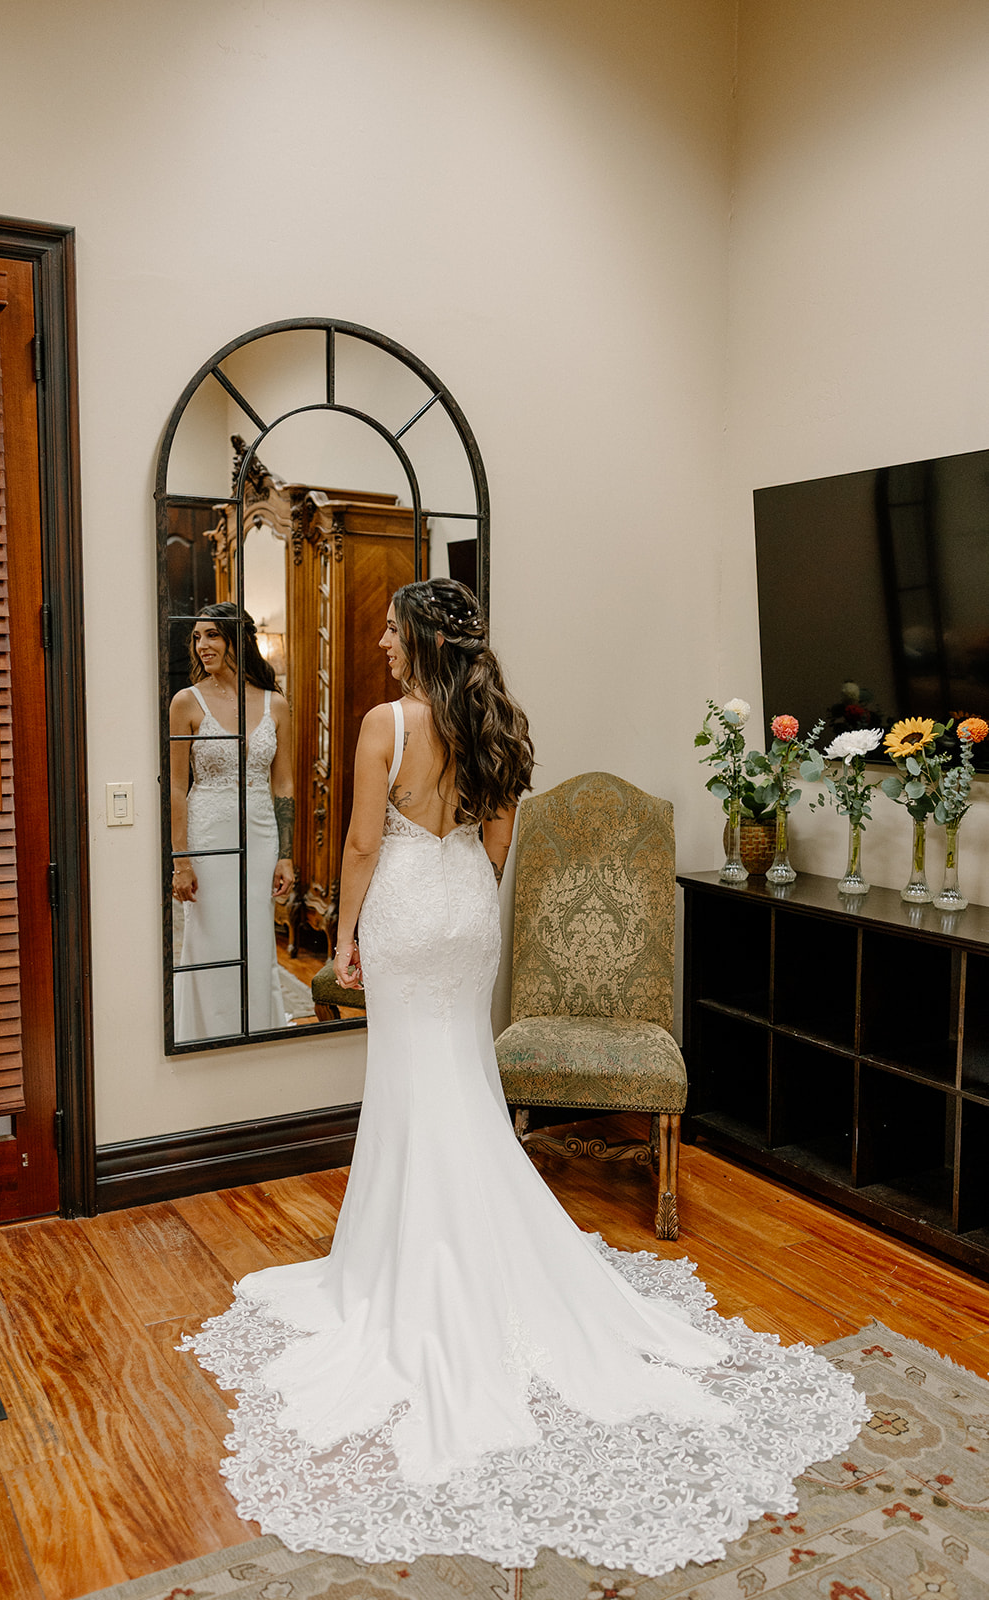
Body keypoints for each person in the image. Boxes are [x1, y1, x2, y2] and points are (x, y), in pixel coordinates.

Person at [186, 579, 866, 1573]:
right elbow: (499, 838)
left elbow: (368, 839)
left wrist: (343, 935)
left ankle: (410, 1262)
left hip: (410, 907)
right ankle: (469, 1246)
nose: (377, 640)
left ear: (419, 638)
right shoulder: (491, 716)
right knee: (455, 1073)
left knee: (417, 1084)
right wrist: (463, 893)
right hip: (464, 905)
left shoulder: (390, 722)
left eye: (388, 628)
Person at [170, 603, 294, 1040]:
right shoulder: (186, 702)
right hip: (208, 836)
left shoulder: (276, 705)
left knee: (256, 936)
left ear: (237, 640)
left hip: (261, 837)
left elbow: (283, 785)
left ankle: (257, 1030)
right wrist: (181, 861)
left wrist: (285, 855)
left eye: (212, 636)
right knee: (209, 937)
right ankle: (205, 1034)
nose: (202, 645)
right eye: (198, 637)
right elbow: (176, 789)